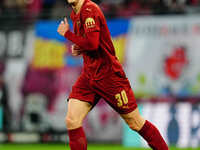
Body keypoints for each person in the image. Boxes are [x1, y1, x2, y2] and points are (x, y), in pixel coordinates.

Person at [57, 0, 169, 150]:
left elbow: (92, 44)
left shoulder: (89, 10)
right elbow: (89, 44)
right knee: (72, 120)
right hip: (89, 75)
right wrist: (80, 48)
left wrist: (68, 34)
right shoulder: (75, 13)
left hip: (109, 76)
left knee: (135, 122)